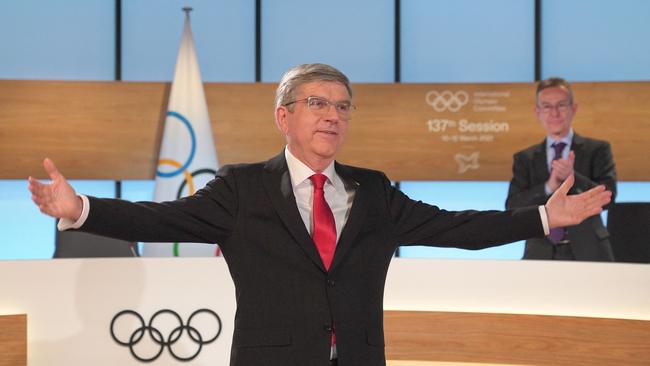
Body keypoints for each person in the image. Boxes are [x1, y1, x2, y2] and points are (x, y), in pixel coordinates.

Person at [29, 64, 611, 366]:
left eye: (341, 107)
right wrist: (80, 208)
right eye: (316, 103)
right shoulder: (241, 187)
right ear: (283, 117)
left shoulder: (375, 190)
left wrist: (540, 217)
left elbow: (457, 229)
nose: (331, 115)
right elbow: (160, 222)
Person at [506, 77, 617, 261]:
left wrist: (573, 177)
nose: (554, 112)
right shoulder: (524, 158)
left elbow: (609, 198)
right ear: (537, 112)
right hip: (539, 251)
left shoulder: (597, 149)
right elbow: (512, 206)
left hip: (591, 250)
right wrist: (548, 186)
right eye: (547, 106)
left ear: (574, 108)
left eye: (561, 105)